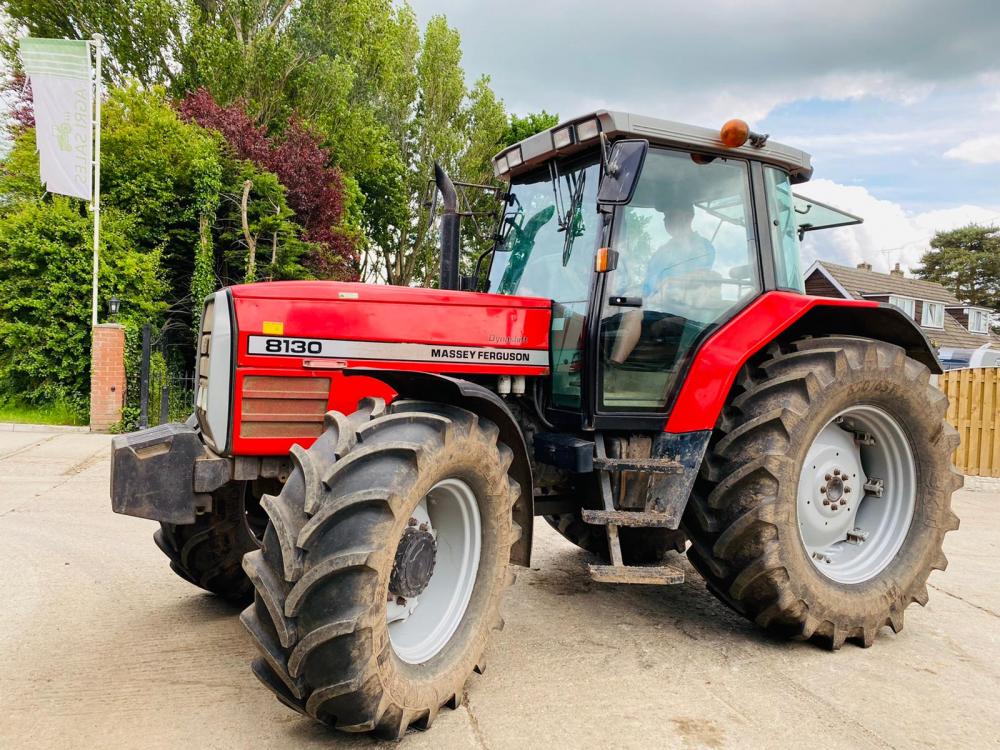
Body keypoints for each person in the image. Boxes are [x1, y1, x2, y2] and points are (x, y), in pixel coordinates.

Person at [609, 200, 718, 365]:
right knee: (611, 304)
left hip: (678, 306)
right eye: (666, 217)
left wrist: (671, 282)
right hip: (653, 302)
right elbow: (647, 285)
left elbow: (702, 276)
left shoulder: (702, 247)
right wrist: (624, 294)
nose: (667, 221)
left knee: (632, 314)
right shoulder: (662, 251)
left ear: (688, 217)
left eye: (671, 216)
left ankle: (614, 365)